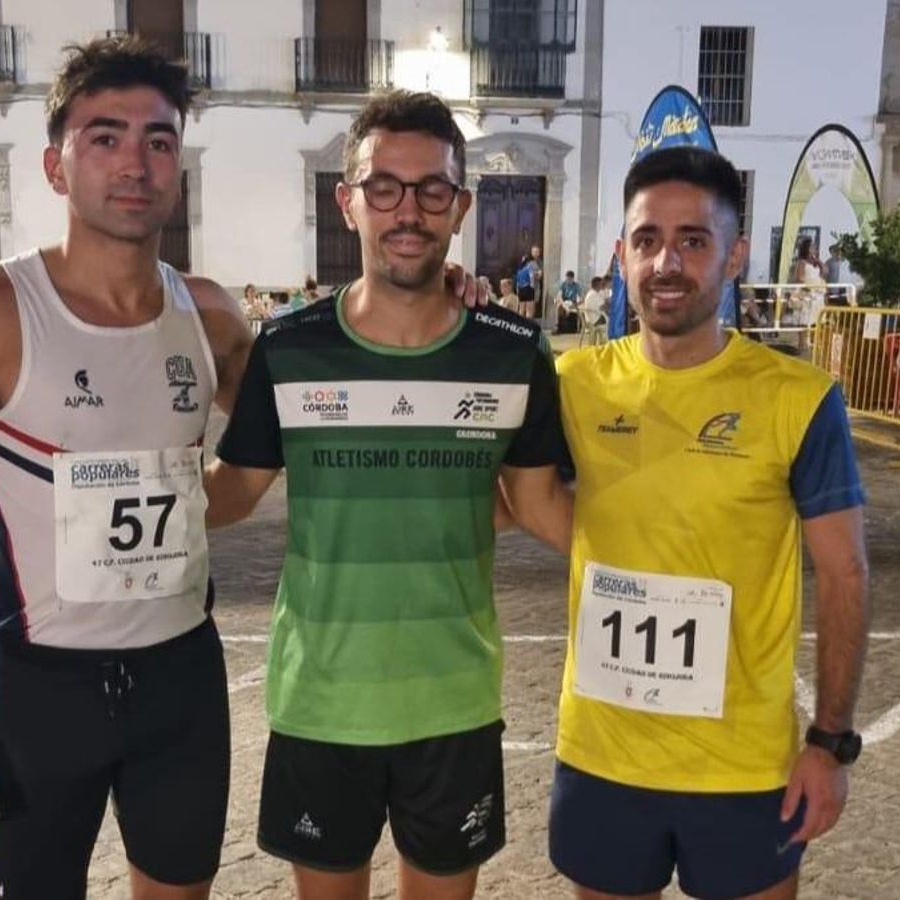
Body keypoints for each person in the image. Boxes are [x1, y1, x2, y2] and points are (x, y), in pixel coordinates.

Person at [0, 37, 256, 899]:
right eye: (105, 137)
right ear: (56, 166)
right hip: (44, 694)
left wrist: (436, 294)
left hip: (182, 684)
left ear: (178, 167)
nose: (135, 162)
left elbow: (290, 428)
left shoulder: (211, 315)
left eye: (159, 142)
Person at [203, 89, 570, 900]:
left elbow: (544, 508)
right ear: (348, 203)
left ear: (460, 206)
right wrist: (93, 485)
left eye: (432, 188)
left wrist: (679, 547)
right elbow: (229, 495)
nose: (409, 209)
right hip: (321, 701)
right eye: (384, 187)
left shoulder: (512, 352)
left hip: (454, 702)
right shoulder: (289, 349)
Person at [543, 146, 870, 900]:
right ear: (622, 254)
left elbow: (846, 572)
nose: (667, 262)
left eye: (694, 241)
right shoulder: (573, 385)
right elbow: (513, 501)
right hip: (603, 755)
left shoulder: (799, 399)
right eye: (649, 240)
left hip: (744, 767)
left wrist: (828, 743)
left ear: (734, 257)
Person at [514, 244, 541, 318]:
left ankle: (520, 324)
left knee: (521, 309)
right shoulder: (530, 266)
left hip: (521, 289)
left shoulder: (520, 269)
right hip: (529, 289)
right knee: (529, 310)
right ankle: (529, 325)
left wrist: (517, 290)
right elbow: (533, 277)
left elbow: (517, 280)